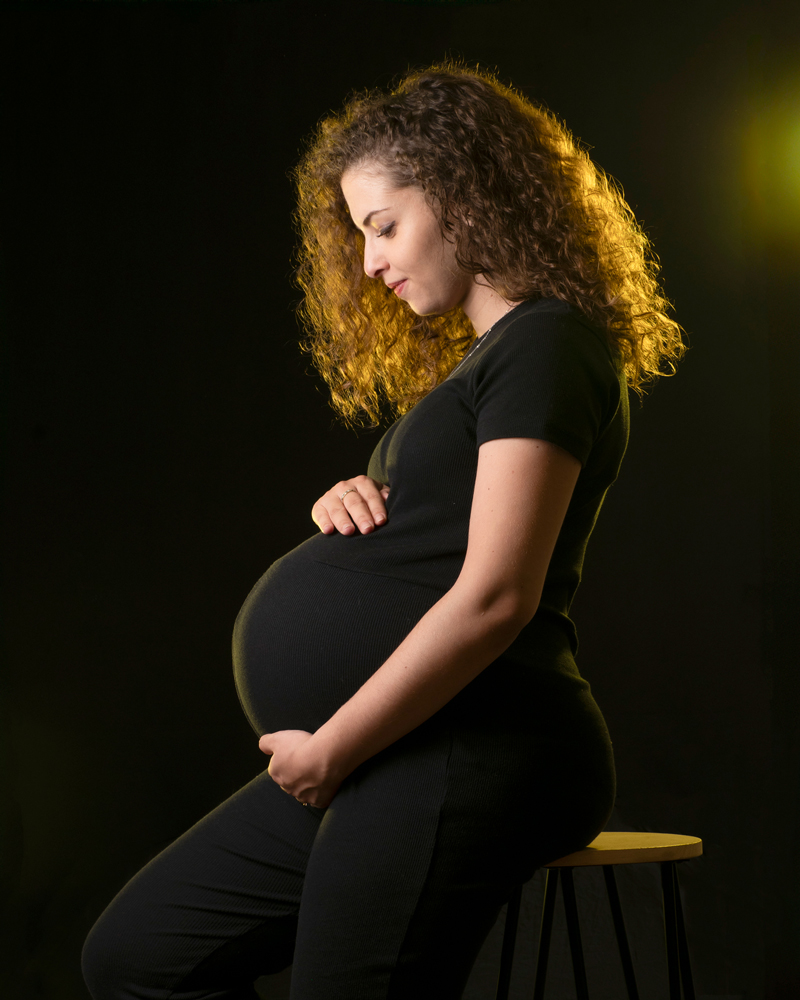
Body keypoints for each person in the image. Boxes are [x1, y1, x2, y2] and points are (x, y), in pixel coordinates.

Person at [82, 62, 684, 1000]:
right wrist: (358, 502)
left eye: (383, 226)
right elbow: (446, 533)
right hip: (396, 747)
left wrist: (333, 747)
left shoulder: (547, 342)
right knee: (134, 957)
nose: (367, 262)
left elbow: (496, 595)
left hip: (478, 742)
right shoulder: (491, 361)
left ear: (464, 196)